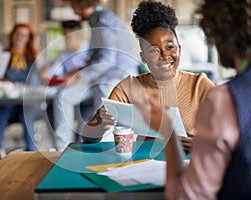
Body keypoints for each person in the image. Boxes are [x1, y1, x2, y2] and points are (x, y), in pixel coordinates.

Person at [131, 0, 251, 199]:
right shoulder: (132, 85)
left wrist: (167, 133)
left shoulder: (222, 99)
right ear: (143, 57)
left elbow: (186, 196)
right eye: (153, 50)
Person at [81, 1, 215, 151]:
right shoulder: (129, 88)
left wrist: (205, 142)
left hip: (188, 168)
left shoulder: (200, 85)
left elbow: (232, 133)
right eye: (154, 51)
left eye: (170, 47)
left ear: (179, 49)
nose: (164, 56)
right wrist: (100, 123)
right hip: (144, 166)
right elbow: (87, 137)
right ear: (143, 57)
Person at [51, 0, 139, 151]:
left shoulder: (105, 20)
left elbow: (107, 60)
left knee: (103, 119)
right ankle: (62, 149)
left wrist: (79, 77)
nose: (74, 12)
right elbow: (96, 58)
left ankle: (102, 153)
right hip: (99, 77)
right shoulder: (97, 20)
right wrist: (75, 74)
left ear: (84, 4)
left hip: (116, 77)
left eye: (74, 7)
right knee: (63, 96)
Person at [0, 23, 43, 158]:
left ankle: (31, 152)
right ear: (12, 36)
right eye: (17, 34)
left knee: (26, 114)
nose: (19, 38)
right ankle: (0, 150)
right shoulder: (3, 55)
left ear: (28, 39)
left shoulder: (32, 57)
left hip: (26, 102)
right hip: (8, 100)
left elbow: (38, 80)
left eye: (24, 35)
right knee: (2, 111)